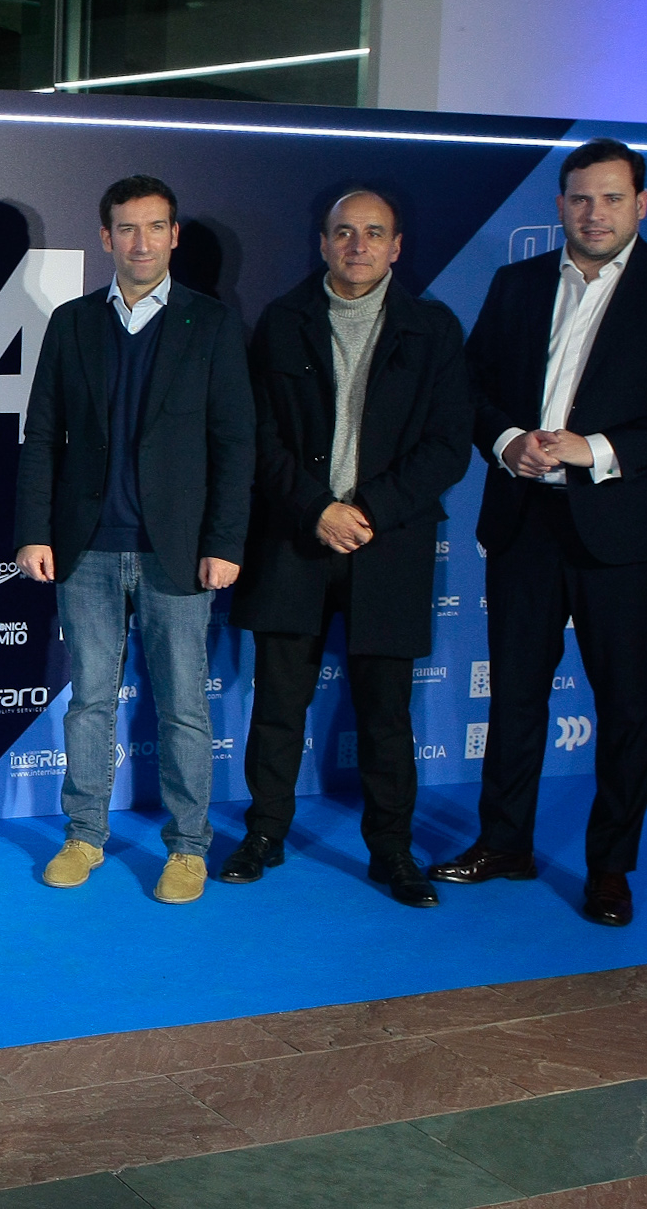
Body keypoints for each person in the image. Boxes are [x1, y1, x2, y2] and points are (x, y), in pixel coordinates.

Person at [435, 139, 647, 926]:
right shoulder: (516, 284)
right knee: (516, 694)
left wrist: (599, 450)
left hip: (626, 530)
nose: (595, 213)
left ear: (641, 204)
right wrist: (506, 439)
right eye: (581, 198)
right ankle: (504, 844)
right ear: (559, 205)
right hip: (525, 520)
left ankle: (610, 869)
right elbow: (471, 385)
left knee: (625, 705)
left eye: (612, 198)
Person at [224, 190, 472, 906]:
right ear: (324, 243)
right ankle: (265, 834)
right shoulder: (282, 321)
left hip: (387, 544)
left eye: (373, 232)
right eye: (343, 232)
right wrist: (317, 510)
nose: (357, 245)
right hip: (295, 540)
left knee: (386, 715)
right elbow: (258, 438)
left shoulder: (433, 329)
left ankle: (392, 849)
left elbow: (448, 445)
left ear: (396, 246)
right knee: (278, 706)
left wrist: (365, 512)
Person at [13, 174, 254, 903]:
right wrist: (34, 531)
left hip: (176, 549)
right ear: (105, 238)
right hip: (85, 547)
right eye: (126, 228)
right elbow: (41, 436)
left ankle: (188, 849)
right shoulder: (72, 323)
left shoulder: (212, 324)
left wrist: (225, 541)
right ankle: (84, 835)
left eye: (154, 227)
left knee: (183, 706)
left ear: (174, 236)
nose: (141, 242)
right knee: (90, 701)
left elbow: (235, 443)